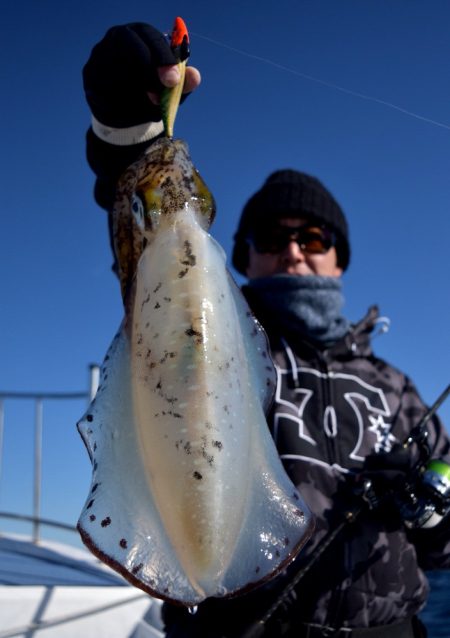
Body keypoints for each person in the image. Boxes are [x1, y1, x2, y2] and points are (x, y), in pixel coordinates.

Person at [82, 22, 450, 638]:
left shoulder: (398, 391)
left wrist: (436, 511)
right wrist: (129, 134)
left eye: (314, 238)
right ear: (243, 256)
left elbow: (444, 549)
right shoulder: (236, 334)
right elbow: (141, 246)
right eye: (272, 238)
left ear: (340, 257)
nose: (295, 252)